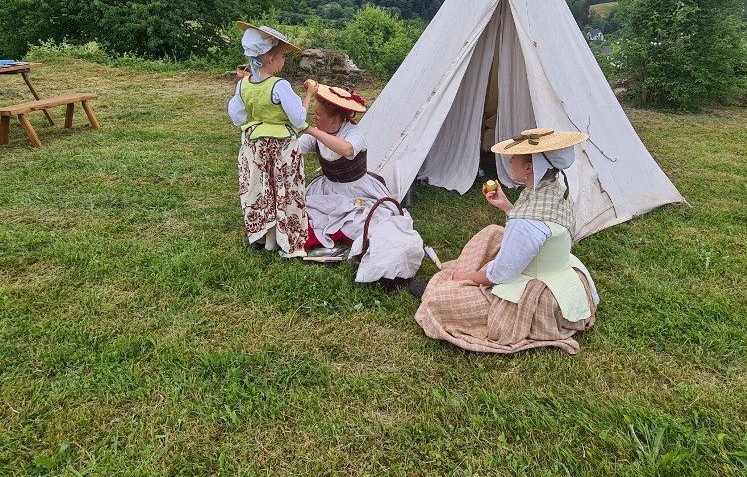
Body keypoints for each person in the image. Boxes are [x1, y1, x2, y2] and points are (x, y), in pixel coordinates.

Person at [414, 128, 600, 354]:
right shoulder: (553, 188)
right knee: (493, 232)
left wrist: (468, 277)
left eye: (515, 158)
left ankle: (453, 282)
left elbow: (501, 274)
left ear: (529, 168)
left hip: (543, 296)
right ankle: (459, 277)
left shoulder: (528, 220)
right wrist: (504, 205)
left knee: (439, 301)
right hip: (559, 273)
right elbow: (534, 231)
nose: (510, 160)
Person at [299, 81, 423, 288]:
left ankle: (350, 248)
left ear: (335, 120)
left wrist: (311, 130)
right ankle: (334, 248)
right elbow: (297, 147)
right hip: (328, 187)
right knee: (303, 214)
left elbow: (347, 150)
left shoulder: (354, 133)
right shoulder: (321, 133)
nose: (315, 117)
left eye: (319, 115)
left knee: (370, 222)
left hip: (358, 189)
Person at [227, 21, 311, 258]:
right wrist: (309, 97)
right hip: (281, 145)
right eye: (283, 56)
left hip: (256, 145)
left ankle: (264, 236)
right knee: (284, 188)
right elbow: (298, 118)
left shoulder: (243, 84)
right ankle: (284, 238)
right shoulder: (280, 86)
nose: (285, 60)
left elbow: (237, 116)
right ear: (271, 58)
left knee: (262, 188)